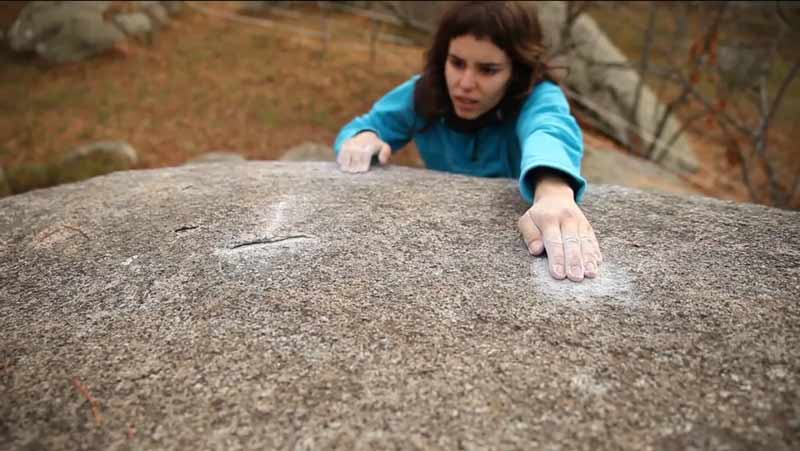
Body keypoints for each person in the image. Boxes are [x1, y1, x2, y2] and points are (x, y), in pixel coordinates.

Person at [333, 1, 601, 282]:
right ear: (443, 58)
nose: (465, 83)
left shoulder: (537, 97)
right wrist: (363, 138)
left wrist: (553, 188)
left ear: (516, 71)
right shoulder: (426, 91)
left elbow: (550, 130)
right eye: (457, 63)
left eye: (488, 70)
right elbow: (366, 126)